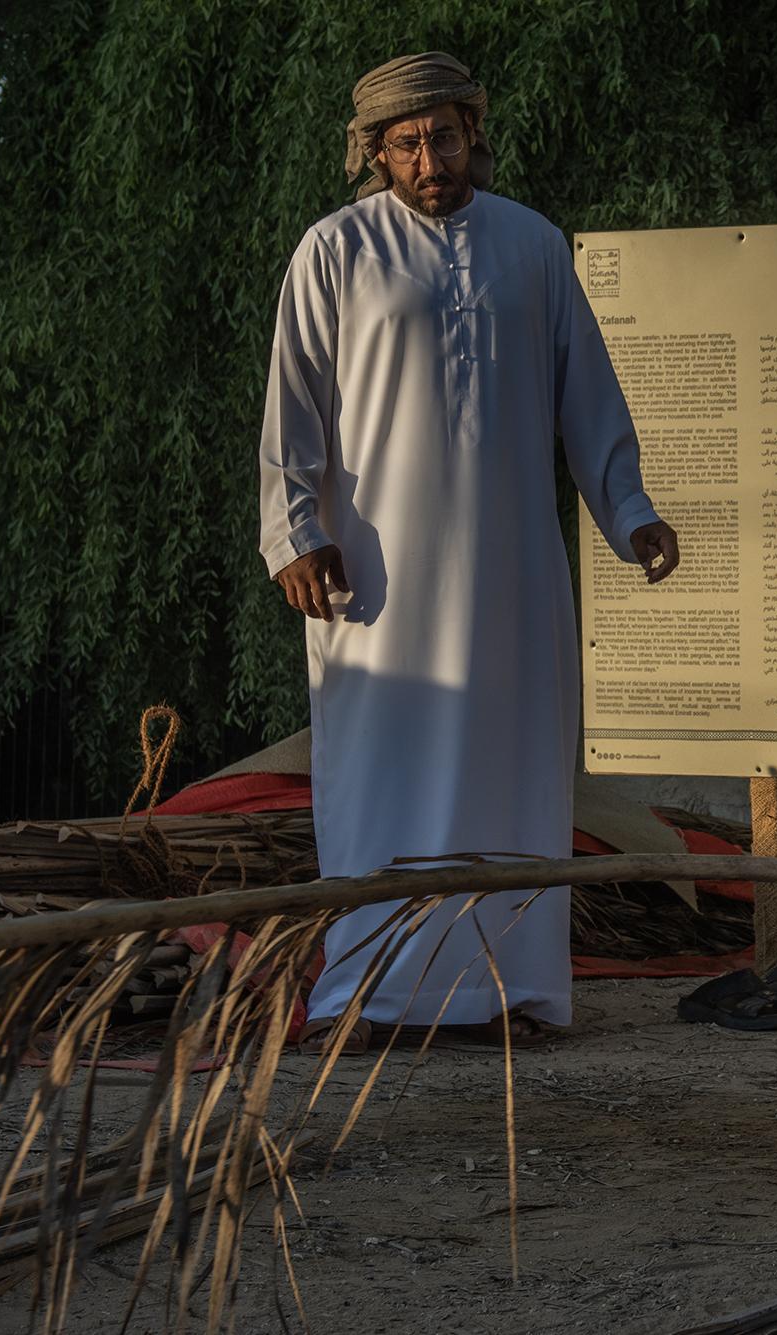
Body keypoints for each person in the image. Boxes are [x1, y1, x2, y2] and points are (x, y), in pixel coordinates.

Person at [257, 52, 679, 1050]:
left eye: (443, 135)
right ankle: (364, 994)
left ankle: (509, 988)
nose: (428, 158)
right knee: (376, 773)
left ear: (472, 134)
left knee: (514, 767)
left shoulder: (531, 244)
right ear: (374, 152)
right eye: (404, 143)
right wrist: (294, 532)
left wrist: (629, 509)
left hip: (512, 570)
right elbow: (291, 409)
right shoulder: (335, 250)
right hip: (375, 578)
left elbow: (589, 397)